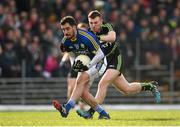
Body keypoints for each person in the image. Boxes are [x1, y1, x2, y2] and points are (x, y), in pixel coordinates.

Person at [76, 10, 161, 119]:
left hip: (115, 60)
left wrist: (98, 38)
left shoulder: (107, 26)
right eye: (91, 22)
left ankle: (91, 113)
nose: (93, 25)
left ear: (101, 21)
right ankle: (150, 86)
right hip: (105, 64)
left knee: (102, 83)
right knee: (127, 89)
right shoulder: (89, 33)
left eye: (96, 22)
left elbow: (112, 37)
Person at [52, 16, 110, 119]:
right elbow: (71, 55)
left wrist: (87, 66)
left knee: (79, 81)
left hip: (99, 63)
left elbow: (101, 54)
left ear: (74, 27)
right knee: (82, 93)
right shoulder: (65, 41)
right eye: (63, 29)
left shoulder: (87, 37)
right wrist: (75, 65)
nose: (65, 32)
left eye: (68, 28)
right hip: (86, 64)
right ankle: (103, 113)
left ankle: (67, 107)